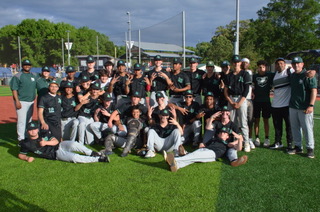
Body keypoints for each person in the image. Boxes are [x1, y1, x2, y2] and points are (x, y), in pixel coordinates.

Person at [163, 127, 248, 172]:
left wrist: (239, 139)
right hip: (205, 150)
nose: (222, 133)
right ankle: (177, 166)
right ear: (218, 134)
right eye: (221, 132)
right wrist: (201, 144)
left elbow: (238, 148)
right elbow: (204, 145)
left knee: (194, 156)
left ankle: (175, 159)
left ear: (227, 136)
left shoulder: (227, 144)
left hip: (213, 154)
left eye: (225, 133)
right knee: (193, 158)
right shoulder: (214, 139)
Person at [18, 122, 109, 163]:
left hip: (60, 145)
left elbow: (55, 141)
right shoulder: (26, 143)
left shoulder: (43, 133)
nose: (33, 131)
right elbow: (21, 154)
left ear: (37, 129)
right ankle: (99, 159)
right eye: (30, 130)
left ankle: (93, 153)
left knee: (75, 144)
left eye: (34, 129)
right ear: (27, 131)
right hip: (54, 154)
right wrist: (26, 158)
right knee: (75, 157)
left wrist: (46, 143)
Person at [287, 57, 317, 158]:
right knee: (295, 128)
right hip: (293, 106)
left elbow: (313, 90)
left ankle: (310, 148)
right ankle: (298, 146)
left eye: (298, 63)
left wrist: (311, 105)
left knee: (307, 128)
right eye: (294, 63)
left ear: (302, 64)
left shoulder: (308, 75)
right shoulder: (292, 76)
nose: (296, 65)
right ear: (292, 65)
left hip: (305, 107)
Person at [224, 55, 251, 152]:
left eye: (237, 62)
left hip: (241, 98)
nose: (236, 64)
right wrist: (231, 101)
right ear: (232, 63)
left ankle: (246, 142)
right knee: (232, 122)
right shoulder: (229, 75)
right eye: (234, 62)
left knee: (243, 122)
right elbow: (226, 91)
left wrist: (240, 102)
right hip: (231, 98)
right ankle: (235, 141)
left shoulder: (245, 74)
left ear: (240, 63)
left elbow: (246, 89)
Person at [10, 59, 38, 142]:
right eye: (25, 65)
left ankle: (27, 136)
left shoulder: (33, 75)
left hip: (31, 101)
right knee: (21, 121)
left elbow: (42, 77)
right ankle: (21, 139)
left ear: (31, 66)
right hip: (21, 101)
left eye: (28, 65)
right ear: (22, 66)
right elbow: (14, 89)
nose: (27, 66)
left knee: (28, 120)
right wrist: (17, 101)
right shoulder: (18, 76)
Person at [270, 58, 293, 150]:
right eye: (278, 64)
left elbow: (300, 72)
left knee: (289, 126)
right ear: (275, 66)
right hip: (275, 105)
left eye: (281, 63)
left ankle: (290, 143)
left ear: (284, 64)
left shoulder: (289, 71)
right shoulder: (274, 75)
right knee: (277, 126)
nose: (280, 65)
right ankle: (278, 142)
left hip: (287, 105)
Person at [252, 60, 273, 147]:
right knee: (256, 120)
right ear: (257, 68)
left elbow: (281, 73)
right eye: (260, 67)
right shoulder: (254, 76)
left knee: (266, 120)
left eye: (263, 67)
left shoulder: (270, 75)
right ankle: (257, 138)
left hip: (266, 101)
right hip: (256, 101)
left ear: (266, 68)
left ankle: (267, 138)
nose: (262, 69)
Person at [241, 58, 255, 150]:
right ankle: (241, 139)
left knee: (250, 120)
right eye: (243, 62)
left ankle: (249, 139)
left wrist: (253, 91)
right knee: (241, 120)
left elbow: (252, 85)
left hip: (249, 99)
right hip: (242, 99)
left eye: (247, 63)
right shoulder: (239, 72)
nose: (245, 64)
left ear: (249, 64)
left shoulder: (251, 73)